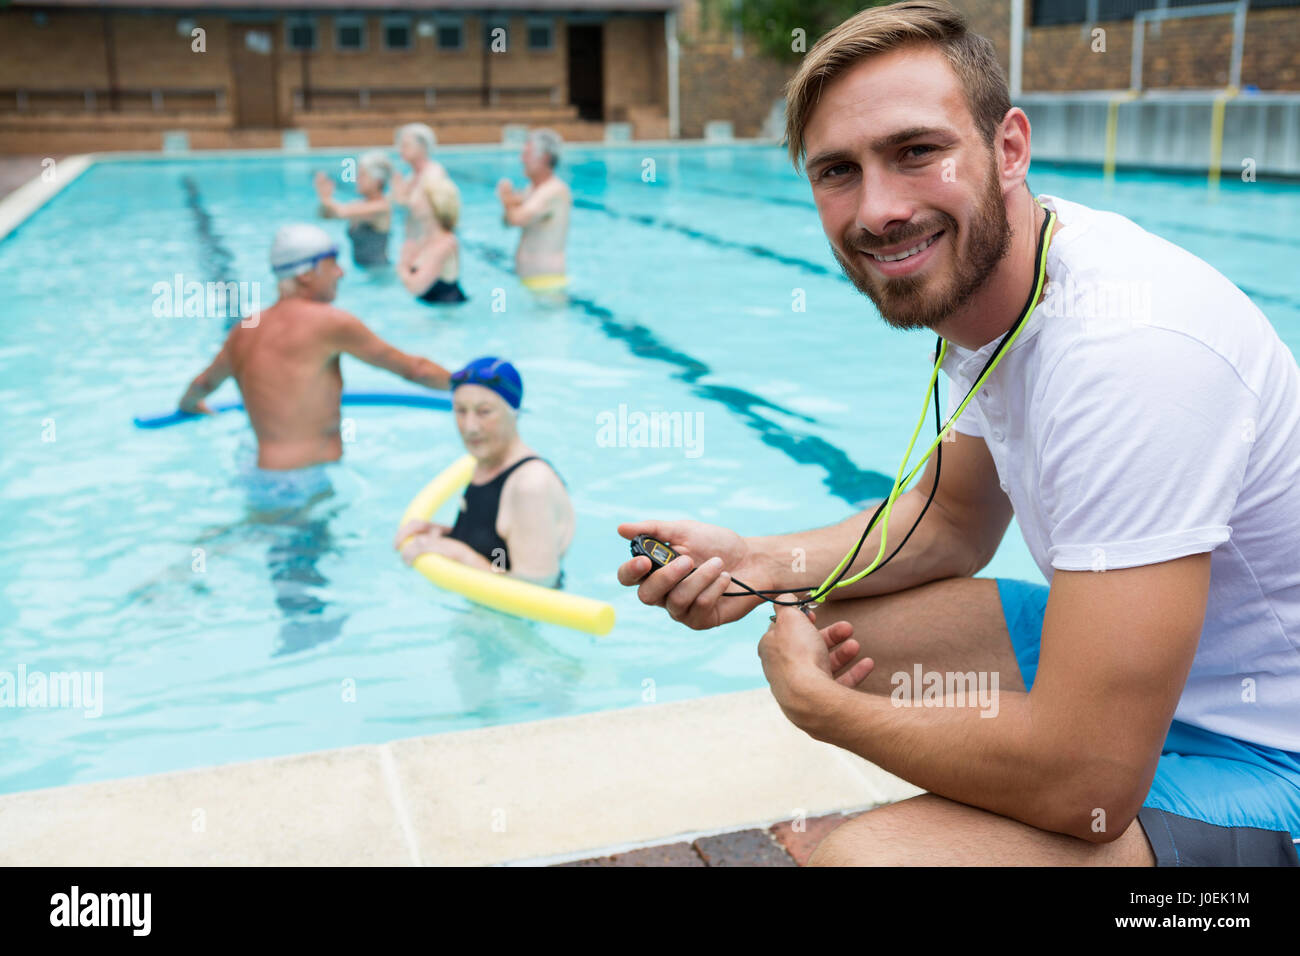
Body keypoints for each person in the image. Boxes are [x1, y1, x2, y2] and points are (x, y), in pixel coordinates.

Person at [616, 0, 1300, 867]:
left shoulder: (1131, 352)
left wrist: (835, 717)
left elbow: (1087, 784)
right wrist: (751, 562)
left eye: (916, 152)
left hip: (1276, 762)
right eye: (837, 171)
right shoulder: (1002, 295)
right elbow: (948, 526)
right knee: (837, 625)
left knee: (863, 861)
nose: (879, 210)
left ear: (1008, 148)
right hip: (1169, 692)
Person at [178, 223, 454, 510]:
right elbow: (415, 370)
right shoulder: (329, 322)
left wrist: (189, 406)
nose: (341, 273)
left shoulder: (245, 329)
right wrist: (466, 383)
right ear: (306, 274)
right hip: (303, 482)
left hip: (260, 474)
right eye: (332, 264)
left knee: (264, 534)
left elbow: (202, 385)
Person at [395, 358, 572, 587]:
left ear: (514, 412)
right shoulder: (487, 463)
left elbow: (538, 590)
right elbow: (498, 546)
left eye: (484, 412)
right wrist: (443, 534)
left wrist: (460, 554)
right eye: (460, 411)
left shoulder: (530, 486)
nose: (470, 427)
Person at [496, 128, 571, 292]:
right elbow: (507, 222)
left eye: (527, 155)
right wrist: (508, 202)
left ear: (544, 158)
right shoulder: (532, 189)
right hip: (531, 280)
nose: (521, 159)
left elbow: (517, 219)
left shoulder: (553, 191)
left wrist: (506, 198)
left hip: (546, 282)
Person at [314, 150, 394, 268]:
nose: (357, 179)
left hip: (379, 272)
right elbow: (324, 215)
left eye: (362, 175)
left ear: (378, 180)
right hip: (363, 271)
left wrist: (326, 198)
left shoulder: (382, 207)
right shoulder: (358, 204)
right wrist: (325, 198)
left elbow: (342, 212)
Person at [389, 123, 450, 273]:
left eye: (405, 145)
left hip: (430, 251)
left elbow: (423, 211)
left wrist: (399, 196)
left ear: (423, 147)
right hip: (416, 249)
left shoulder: (433, 174)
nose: (400, 150)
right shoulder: (411, 177)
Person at [400, 174, 467, 305]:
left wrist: (403, 265)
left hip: (447, 316)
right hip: (432, 311)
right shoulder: (425, 238)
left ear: (435, 204)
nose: (414, 201)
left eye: (421, 198)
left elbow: (416, 287)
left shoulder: (446, 244)